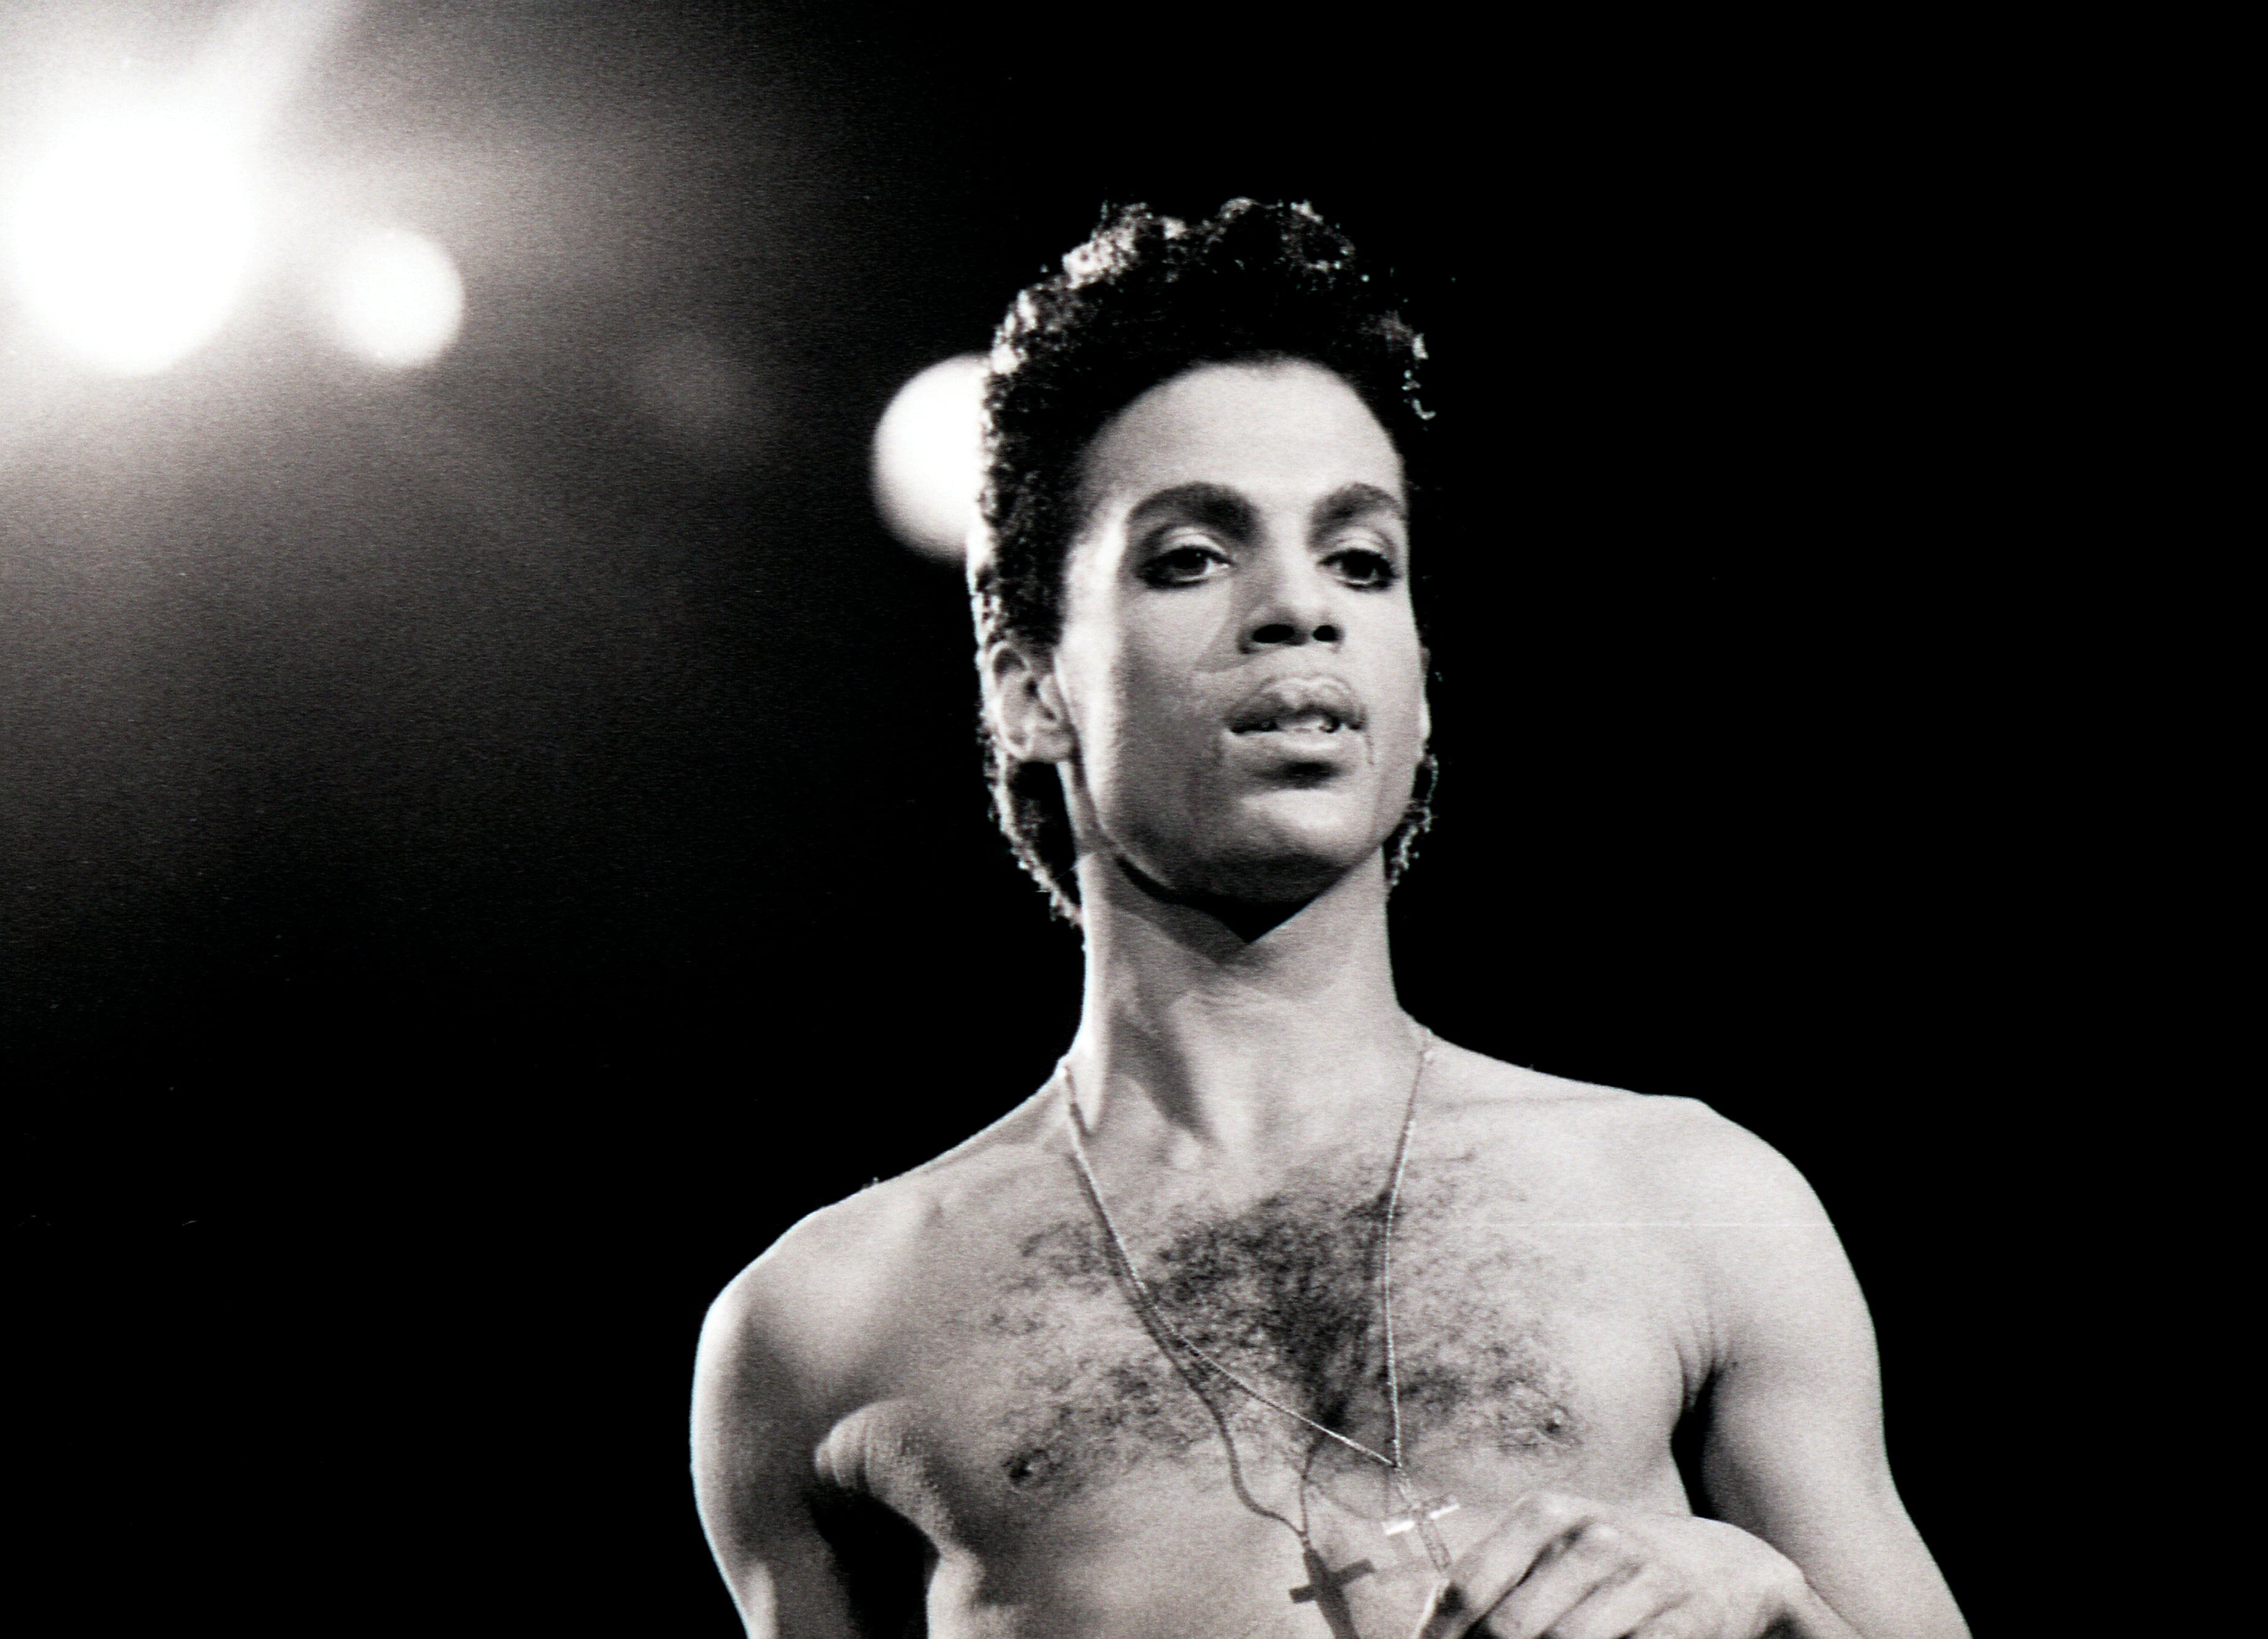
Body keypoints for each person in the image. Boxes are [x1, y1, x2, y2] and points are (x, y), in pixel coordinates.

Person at [692, 200, 1968, 1639]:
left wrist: (1785, 1610)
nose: (1300, 608)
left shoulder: (1700, 1204)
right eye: (1191, 557)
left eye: (1362, 561)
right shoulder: (828, 1326)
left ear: (1420, 678)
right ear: (1032, 684)